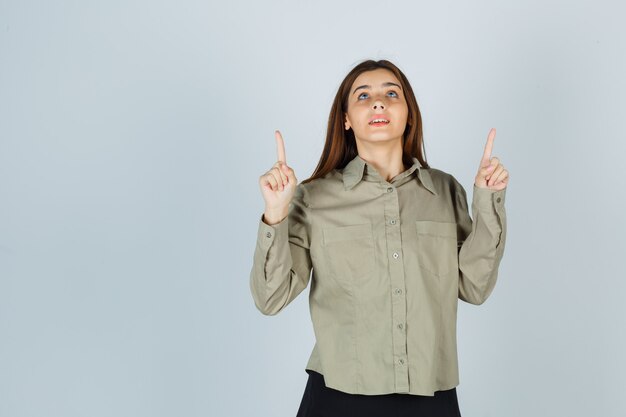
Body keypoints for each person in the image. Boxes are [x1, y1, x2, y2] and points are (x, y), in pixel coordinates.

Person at [250, 59, 509, 417]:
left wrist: (488, 198)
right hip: (338, 397)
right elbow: (271, 298)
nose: (378, 102)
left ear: (409, 114)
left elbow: (475, 287)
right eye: (363, 96)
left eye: (391, 93)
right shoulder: (313, 198)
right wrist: (275, 214)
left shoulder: (446, 191)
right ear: (346, 119)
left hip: (430, 396)